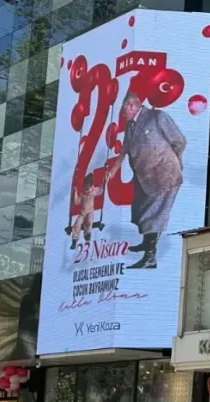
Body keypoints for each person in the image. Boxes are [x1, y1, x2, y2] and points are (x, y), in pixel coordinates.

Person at [106, 91, 187, 269]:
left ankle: (150, 257)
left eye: (123, 111)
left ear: (131, 105)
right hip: (144, 177)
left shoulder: (157, 117)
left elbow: (179, 141)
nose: (123, 115)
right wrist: (112, 171)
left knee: (153, 214)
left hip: (164, 175)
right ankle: (146, 243)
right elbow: (125, 149)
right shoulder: (130, 125)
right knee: (139, 210)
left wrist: (174, 161)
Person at [68, 173, 103, 249]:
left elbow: (101, 190)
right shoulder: (82, 194)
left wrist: (104, 181)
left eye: (87, 186)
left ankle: (87, 234)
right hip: (82, 213)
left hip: (89, 212)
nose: (86, 188)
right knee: (77, 223)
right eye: (85, 186)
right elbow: (77, 202)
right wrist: (75, 192)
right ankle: (74, 239)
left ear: (90, 185)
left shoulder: (93, 191)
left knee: (89, 221)